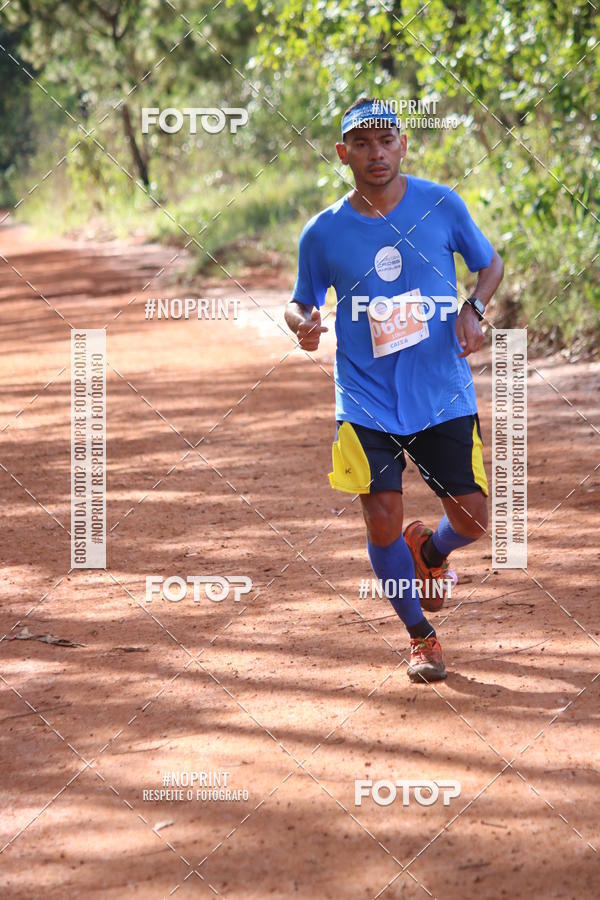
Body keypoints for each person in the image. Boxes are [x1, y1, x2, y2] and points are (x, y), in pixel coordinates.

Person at [285, 97, 504, 682]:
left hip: (441, 389)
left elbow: (490, 263)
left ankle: (429, 553)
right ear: (343, 153)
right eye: (362, 143)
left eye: (386, 140)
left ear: (403, 143)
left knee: (475, 515)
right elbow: (299, 301)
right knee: (381, 519)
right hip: (364, 398)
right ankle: (421, 637)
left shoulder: (441, 203)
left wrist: (474, 309)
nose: (376, 153)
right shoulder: (323, 232)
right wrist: (301, 325)